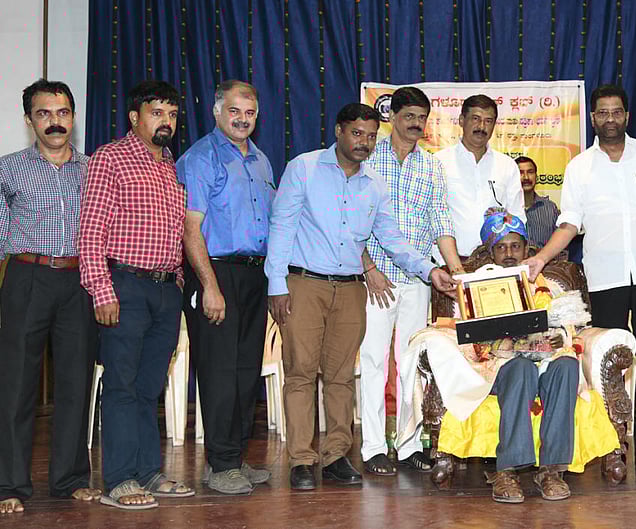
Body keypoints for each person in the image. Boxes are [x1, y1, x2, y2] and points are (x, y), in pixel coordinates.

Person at [265, 102, 457, 491]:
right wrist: (276, 284)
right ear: (338, 131)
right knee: (301, 373)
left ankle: (336, 455)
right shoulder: (303, 168)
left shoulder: (375, 184)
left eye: (371, 136)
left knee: (339, 377)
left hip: (352, 288)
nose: (364, 142)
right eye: (357, 133)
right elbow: (281, 227)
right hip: (305, 283)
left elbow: (391, 239)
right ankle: (302, 460)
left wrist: (428, 270)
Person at [522, 84, 636, 474]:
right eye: (602, 113)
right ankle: (611, 446)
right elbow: (570, 222)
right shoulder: (579, 167)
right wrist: (540, 257)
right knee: (606, 361)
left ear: (627, 115)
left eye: (616, 112)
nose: (610, 119)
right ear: (592, 118)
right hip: (605, 278)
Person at [78, 80, 194, 509]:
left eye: (172, 114)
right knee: (123, 384)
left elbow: (176, 233)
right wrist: (101, 289)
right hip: (124, 285)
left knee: (149, 386)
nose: (166, 121)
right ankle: (120, 479)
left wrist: (179, 282)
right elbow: (89, 231)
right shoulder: (110, 158)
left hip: (166, 290)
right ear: (135, 117)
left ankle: (148, 471)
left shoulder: (171, 166)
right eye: (156, 112)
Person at [0, 79, 101, 515]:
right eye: (44, 113)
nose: (54, 121)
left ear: (73, 118)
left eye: (62, 113)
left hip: (79, 280)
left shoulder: (93, 168)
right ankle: (9, 484)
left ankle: (70, 479)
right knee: (16, 384)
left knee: (76, 383)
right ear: (29, 120)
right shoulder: (7, 169)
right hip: (27, 277)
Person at [358, 87, 463, 476]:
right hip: (376, 280)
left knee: (411, 365)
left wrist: (457, 272)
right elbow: (353, 221)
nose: (417, 123)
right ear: (393, 117)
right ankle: (372, 447)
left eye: (423, 117)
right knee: (372, 361)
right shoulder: (369, 158)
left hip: (418, 281)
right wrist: (368, 268)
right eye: (410, 116)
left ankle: (406, 445)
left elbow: (441, 224)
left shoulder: (431, 166)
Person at [176, 80, 274, 494]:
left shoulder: (263, 162)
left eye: (249, 113)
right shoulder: (200, 157)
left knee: (245, 371)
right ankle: (219, 465)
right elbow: (189, 227)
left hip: (255, 275)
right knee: (218, 372)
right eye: (234, 111)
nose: (242, 119)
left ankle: (234, 456)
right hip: (215, 273)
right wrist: (209, 286)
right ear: (218, 112)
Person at [478, 211, 579, 503]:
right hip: (503, 366)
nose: (509, 254)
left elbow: (568, 329)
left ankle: (551, 470)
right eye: (501, 247)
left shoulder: (546, 284)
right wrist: (507, 341)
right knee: (521, 368)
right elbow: (472, 340)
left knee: (567, 365)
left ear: (527, 250)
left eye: (515, 246)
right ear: (491, 253)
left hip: (544, 360)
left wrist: (558, 338)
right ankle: (507, 471)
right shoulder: (478, 286)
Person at [435, 94, 526, 258]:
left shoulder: (507, 165)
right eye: (475, 119)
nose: (481, 126)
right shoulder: (438, 162)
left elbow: (517, 217)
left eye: (488, 121)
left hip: (496, 263)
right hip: (448, 262)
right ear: (461, 120)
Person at [516, 155, 560, 248]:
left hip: (545, 262)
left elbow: (559, 245)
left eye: (530, 172)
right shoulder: (505, 210)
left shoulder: (550, 209)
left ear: (536, 176)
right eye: (520, 173)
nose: (526, 177)